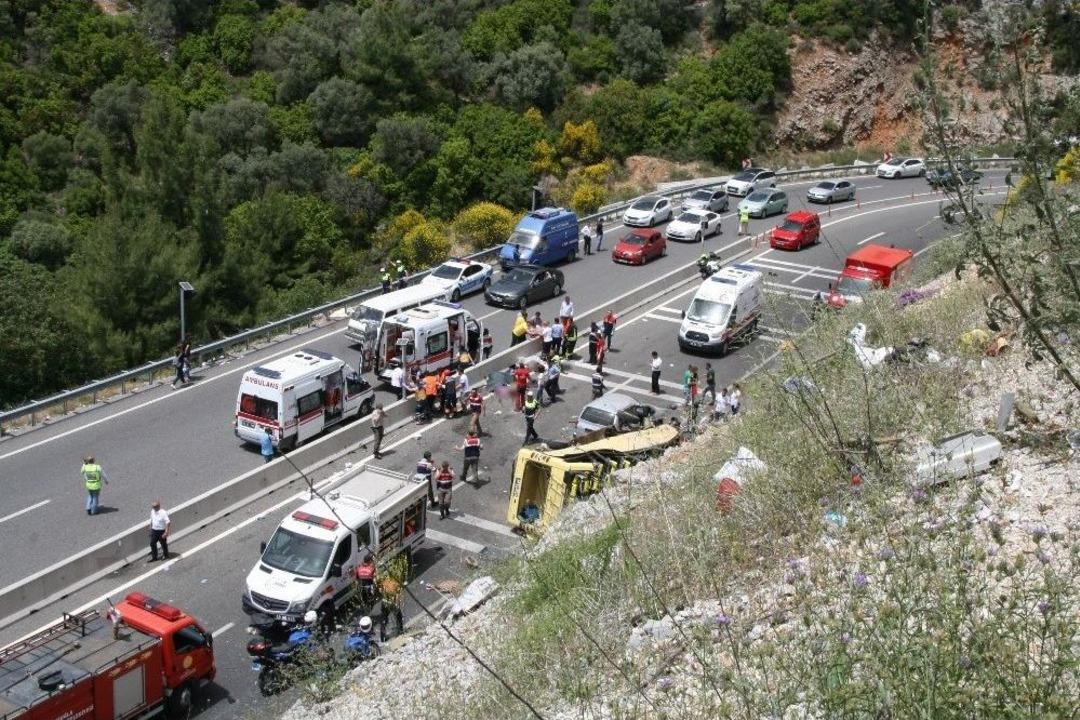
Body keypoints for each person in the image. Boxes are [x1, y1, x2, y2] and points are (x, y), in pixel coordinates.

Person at [377, 574, 404, 642]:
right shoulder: (396, 583)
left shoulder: (384, 582)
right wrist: (397, 605)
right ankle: (400, 631)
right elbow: (397, 596)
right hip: (392, 603)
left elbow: (380, 590)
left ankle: (382, 637)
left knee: (383, 619)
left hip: (384, 602)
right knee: (398, 616)